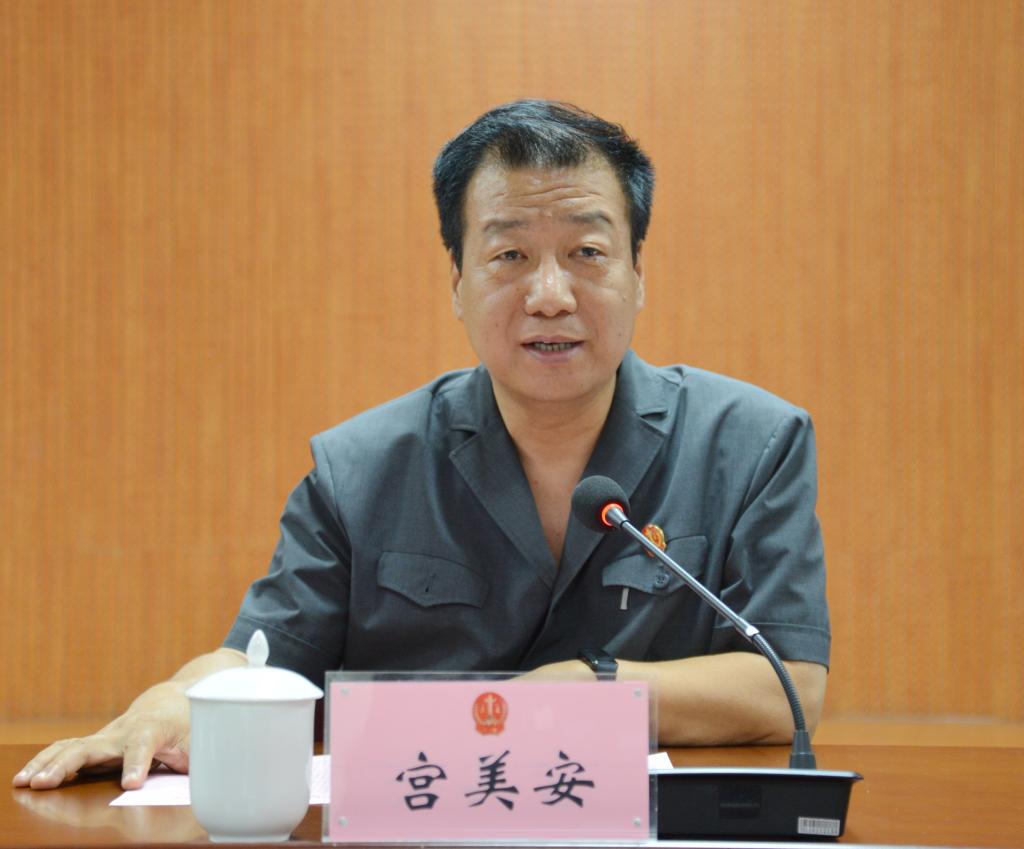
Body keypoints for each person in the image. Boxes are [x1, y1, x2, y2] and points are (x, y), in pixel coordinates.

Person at [14, 100, 829, 791]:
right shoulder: (360, 469)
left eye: (587, 253)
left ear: (638, 274)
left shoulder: (752, 444)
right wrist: (177, 695)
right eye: (509, 255)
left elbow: (788, 686)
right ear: (458, 283)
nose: (550, 295)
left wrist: (586, 688)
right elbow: (261, 659)